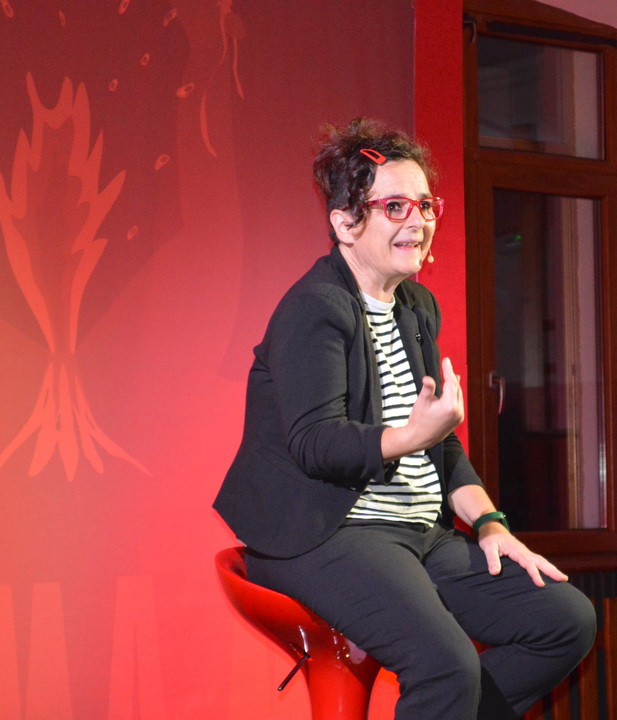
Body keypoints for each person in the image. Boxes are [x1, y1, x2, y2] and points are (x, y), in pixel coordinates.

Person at [213, 118, 595, 720]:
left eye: (424, 204)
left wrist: (490, 523)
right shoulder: (314, 308)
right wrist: (414, 434)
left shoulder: (416, 306)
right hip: (327, 531)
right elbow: (316, 444)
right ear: (346, 223)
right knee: (447, 666)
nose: (417, 220)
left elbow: (442, 447)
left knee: (565, 621)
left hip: (418, 532)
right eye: (394, 206)